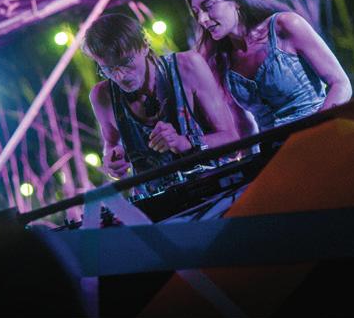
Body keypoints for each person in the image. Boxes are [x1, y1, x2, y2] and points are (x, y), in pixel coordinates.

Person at [184, 0, 352, 137]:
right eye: (196, 12)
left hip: (319, 138)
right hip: (274, 150)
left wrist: (321, 130)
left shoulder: (285, 26)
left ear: (236, 0)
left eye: (208, 6)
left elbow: (340, 84)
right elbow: (245, 127)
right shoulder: (220, 61)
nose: (202, 19)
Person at [84, 13, 238, 197]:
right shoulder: (102, 96)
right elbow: (111, 144)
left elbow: (232, 140)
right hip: (157, 205)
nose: (120, 76)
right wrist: (113, 161)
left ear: (145, 45)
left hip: (215, 191)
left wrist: (187, 142)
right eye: (108, 69)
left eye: (126, 62)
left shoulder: (187, 66)